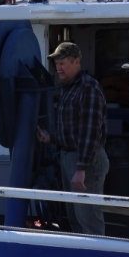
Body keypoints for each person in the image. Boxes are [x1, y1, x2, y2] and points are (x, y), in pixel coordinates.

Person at [36, 42, 109, 235]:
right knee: (75, 217)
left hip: (86, 162)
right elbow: (73, 131)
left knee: (89, 219)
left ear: (76, 61)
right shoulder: (69, 87)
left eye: (62, 63)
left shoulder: (88, 88)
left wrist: (81, 168)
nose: (58, 68)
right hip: (71, 159)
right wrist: (50, 138)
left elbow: (90, 132)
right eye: (56, 63)